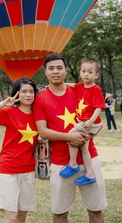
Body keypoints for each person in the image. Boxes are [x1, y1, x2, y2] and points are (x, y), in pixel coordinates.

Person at [33, 54, 106, 223]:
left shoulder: (80, 90)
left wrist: (91, 132)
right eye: (51, 68)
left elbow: (96, 116)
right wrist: (70, 137)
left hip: (89, 158)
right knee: (59, 213)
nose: (55, 72)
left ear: (66, 71)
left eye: (59, 68)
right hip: (61, 163)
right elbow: (43, 131)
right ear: (45, 72)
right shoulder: (40, 99)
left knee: (96, 210)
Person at [0, 78, 39, 223]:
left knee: (21, 216)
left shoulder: (38, 115)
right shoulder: (9, 112)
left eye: (31, 91)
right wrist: (4, 103)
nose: (28, 95)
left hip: (28, 169)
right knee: (11, 217)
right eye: (24, 91)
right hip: (9, 169)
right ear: (17, 94)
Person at [60, 58, 105, 186]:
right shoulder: (80, 86)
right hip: (85, 122)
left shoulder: (95, 89)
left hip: (89, 122)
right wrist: (58, 84)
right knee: (84, 147)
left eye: (90, 72)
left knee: (71, 135)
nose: (86, 74)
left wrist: (91, 121)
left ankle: (73, 164)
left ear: (96, 75)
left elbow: (99, 107)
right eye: (83, 71)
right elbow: (71, 85)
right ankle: (90, 174)